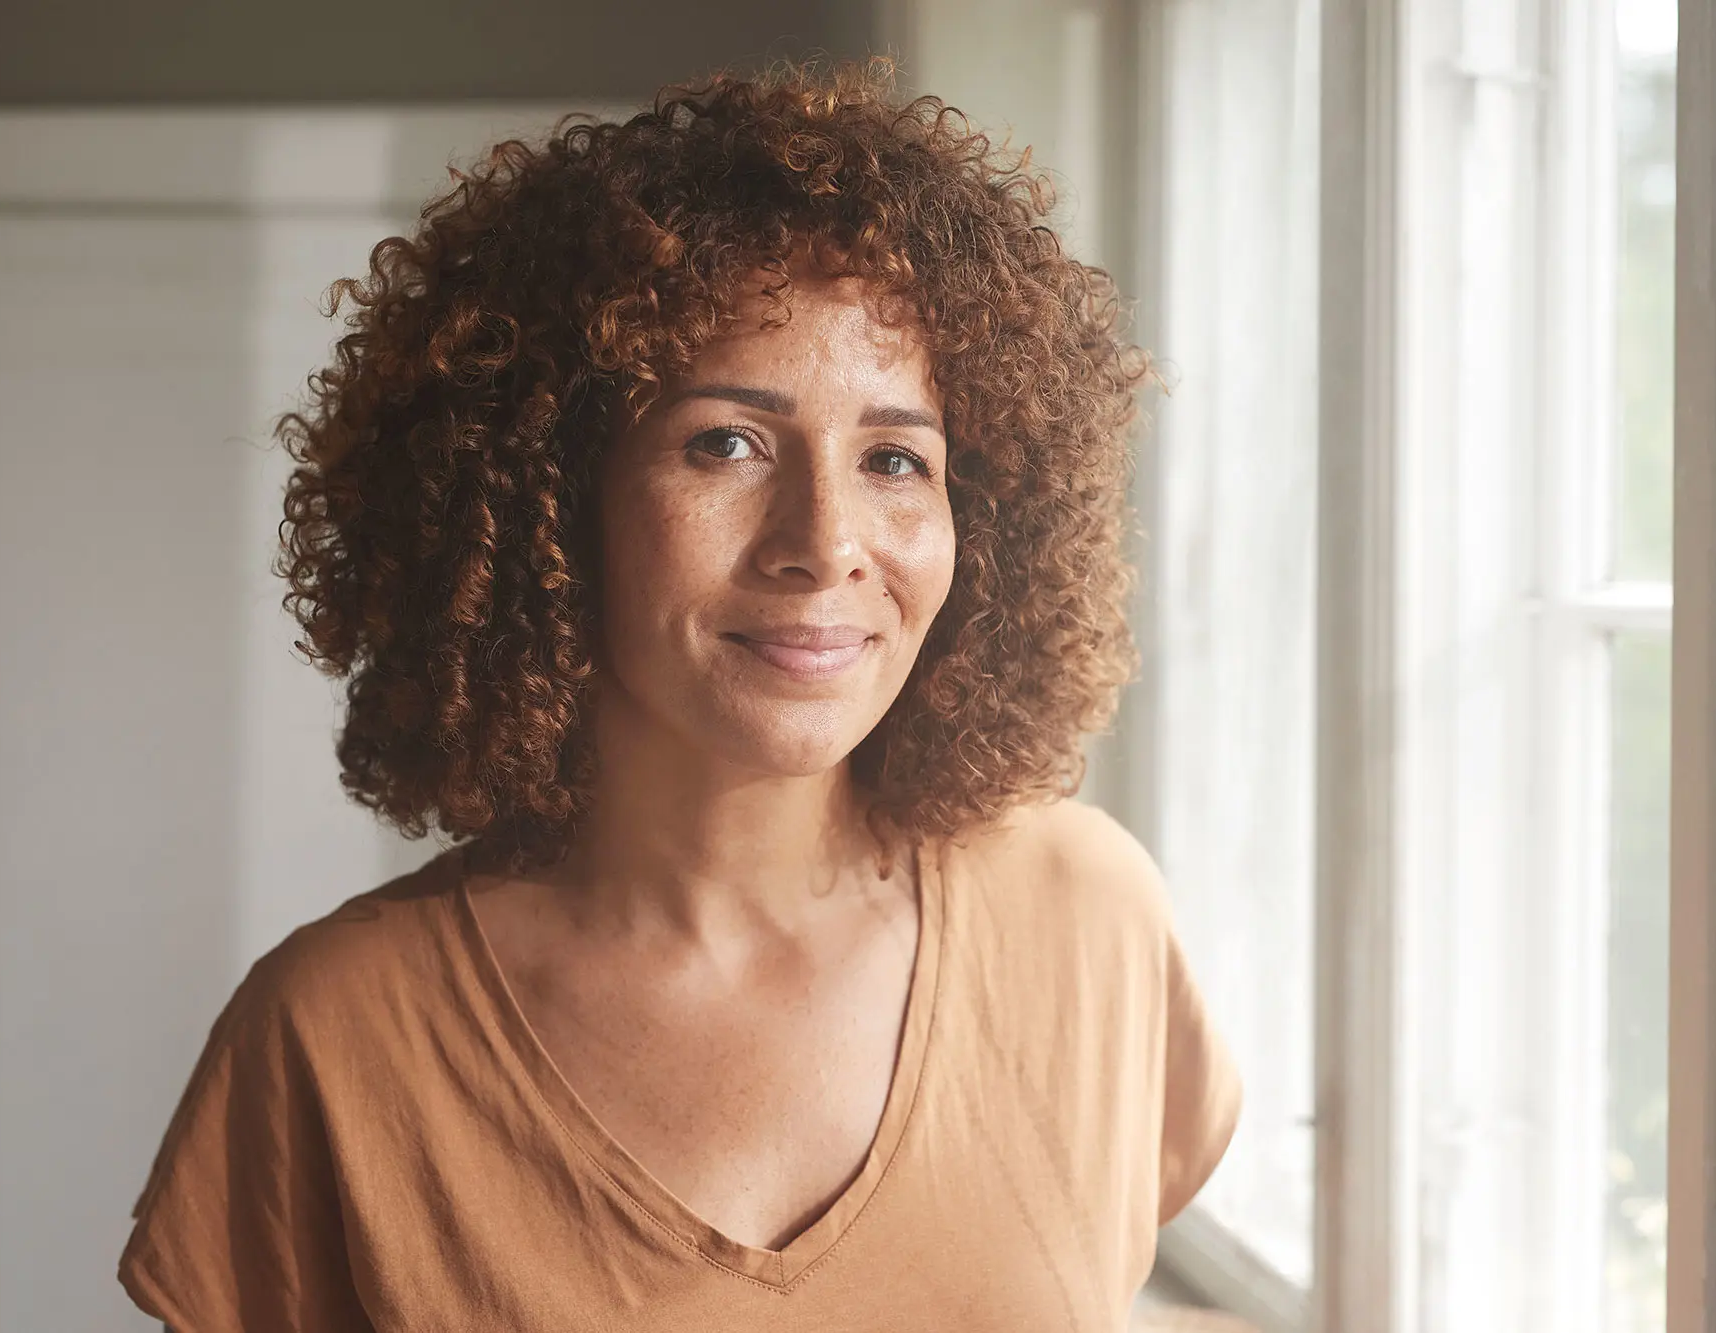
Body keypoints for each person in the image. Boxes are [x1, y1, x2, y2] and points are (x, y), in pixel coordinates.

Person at [117, 58, 1240, 1333]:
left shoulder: (1085, 916)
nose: (824, 541)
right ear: (545, 501)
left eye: (892, 458)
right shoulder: (334, 1037)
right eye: (725, 443)